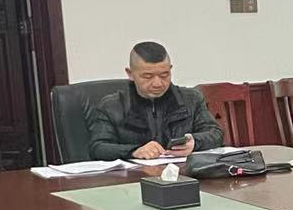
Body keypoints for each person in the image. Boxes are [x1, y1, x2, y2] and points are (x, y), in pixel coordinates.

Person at [85, 41, 225, 161]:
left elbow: (215, 133)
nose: (158, 83)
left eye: (164, 75)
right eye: (148, 76)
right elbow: (98, 147)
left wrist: (195, 142)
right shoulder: (111, 106)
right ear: (130, 74)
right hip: (133, 178)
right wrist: (134, 151)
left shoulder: (191, 99)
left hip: (183, 174)